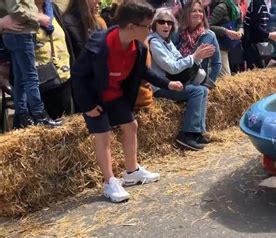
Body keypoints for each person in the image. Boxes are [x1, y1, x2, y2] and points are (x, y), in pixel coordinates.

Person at [71, 1, 183, 203]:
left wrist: (168, 84)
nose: (150, 31)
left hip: (116, 96)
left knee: (131, 125)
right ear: (131, 27)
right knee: (103, 135)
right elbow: (78, 75)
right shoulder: (99, 45)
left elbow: (144, 72)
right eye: (147, 27)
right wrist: (87, 106)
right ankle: (110, 182)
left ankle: (131, 172)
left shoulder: (137, 48)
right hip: (94, 98)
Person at [149, 8, 214, 150]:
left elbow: (179, 59)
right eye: (161, 22)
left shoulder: (166, 41)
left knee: (203, 89)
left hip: (172, 83)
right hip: (160, 87)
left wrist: (196, 58)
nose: (166, 25)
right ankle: (187, 135)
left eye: (169, 22)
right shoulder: (154, 42)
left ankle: (197, 132)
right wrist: (194, 57)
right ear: (154, 24)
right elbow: (172, 67)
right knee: (196, 91)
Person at [1, 0, 61, 129]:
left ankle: (22, 115)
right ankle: (40, 115)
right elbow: (16, 9)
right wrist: (38, 18)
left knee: (21, 79)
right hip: (21, 34)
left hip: (18, 34)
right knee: (30, 77)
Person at [34, 0, 74, 119]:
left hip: (63, 76)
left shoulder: (52, 9)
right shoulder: (22, 14)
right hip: (40, 81)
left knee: (63, 124)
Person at [175, 0, 221, 89]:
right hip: (178, 81)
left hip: (198, 83)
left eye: (200, 11)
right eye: (194, 11)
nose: (198, 13)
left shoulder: (209, 35)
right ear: (187, 14)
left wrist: (208, 85)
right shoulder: (177, 33)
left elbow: (217, 63)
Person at [243, 0, 276, 69]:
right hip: (252, 42)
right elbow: (254, 25)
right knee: (257, 69)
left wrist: (271, 33)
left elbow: (262, 23)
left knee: (263, 68)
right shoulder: (258, 2)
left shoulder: (267, 3)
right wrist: (269, 35)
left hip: (259, 40)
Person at [208, 0, 243, 75]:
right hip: (219, 46)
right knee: (225, 76)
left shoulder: (238, 8)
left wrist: (240, 31)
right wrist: (226, 31)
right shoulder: (221, 8)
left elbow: (240, 24)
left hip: (231, 46)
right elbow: (208, 27)